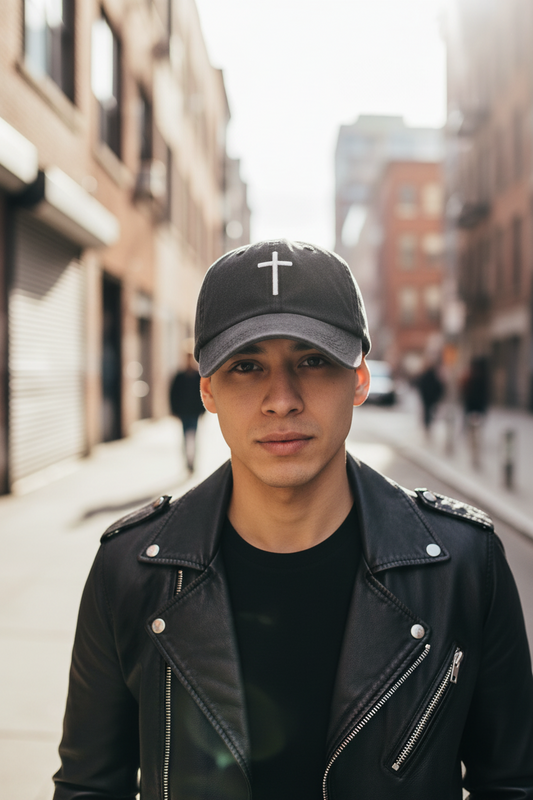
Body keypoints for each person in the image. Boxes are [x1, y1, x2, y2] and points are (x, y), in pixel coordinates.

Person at [53, 240, 533, 800]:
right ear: (207, 389)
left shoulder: (465, 565)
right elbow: (89, 786)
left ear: (358, 380)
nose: (281, 399)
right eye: (247, 366)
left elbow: (512, 783)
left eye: (312, 360)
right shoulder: (131, 570)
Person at [169, 349, 205, 472]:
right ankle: (187, 461)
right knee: (185, 437)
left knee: (194, 437)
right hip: (184, 412)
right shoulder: (179, 376)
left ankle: (193, 460)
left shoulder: (197, 376)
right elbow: (173, 394)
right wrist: (174, 410)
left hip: (194, 412)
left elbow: (202, 394)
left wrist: (202, 410)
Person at [416, 361, 445, 435]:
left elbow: (421, 386)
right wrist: (437, 396)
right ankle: (428, 423)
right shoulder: (434, 377)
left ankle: (427, 423)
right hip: (431, 398)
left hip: (427, 398)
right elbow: (439, 387)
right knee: (430, 411)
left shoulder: (426, 376)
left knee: (427, 411)